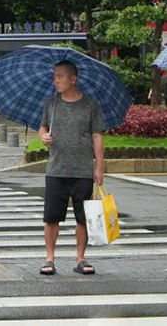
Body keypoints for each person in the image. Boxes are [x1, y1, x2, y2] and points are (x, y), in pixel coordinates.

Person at [38, 60, 105, 276]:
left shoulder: (90, 105)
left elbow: (97, 136)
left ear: (73, 79)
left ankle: (80, 259)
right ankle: (49, 259)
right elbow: (42, 127)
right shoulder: (51, 103)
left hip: (82, 170)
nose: (55, 81)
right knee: (51, 217)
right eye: (54, 77)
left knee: (82, 218)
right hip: (56, 168)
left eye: (60, 76)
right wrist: (43, 137)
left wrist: (99, 167)